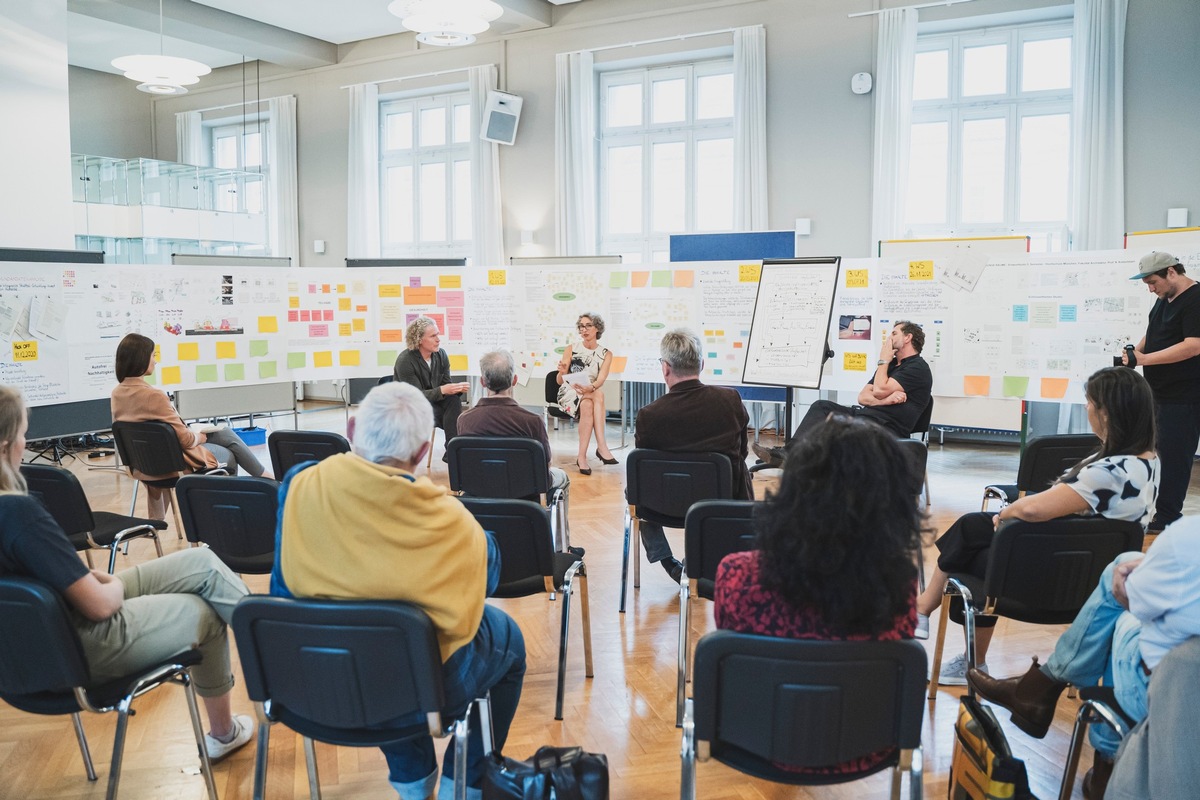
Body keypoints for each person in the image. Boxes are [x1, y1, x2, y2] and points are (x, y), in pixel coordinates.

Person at [270, 381, 525, 800]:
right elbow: (488, 583)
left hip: (311, 673)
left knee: (370, 631)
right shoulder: (455, 520)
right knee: (505, 637)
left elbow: (285, 581)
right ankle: (467, 780)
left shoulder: (299, 482)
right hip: (420, 688)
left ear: (352, 430)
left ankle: (412, 779)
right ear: (424, 451)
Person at [0, 385, 254, 762]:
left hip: (28, 649)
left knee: (202, 564)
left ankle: (273, 645)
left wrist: (101, 583)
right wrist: (106, 587)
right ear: (6, 446)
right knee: (204, 612)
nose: (25, 442)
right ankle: (229, 725)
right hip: (81, 642)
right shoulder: (18, 513)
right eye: (22, 434)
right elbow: (100, 606)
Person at [915, 366, 1159, 686]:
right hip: (1091, 575)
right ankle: (932, 615)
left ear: (1108, 413)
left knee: (973, 556)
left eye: (1090, 403)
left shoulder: (1110, 470)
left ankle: (954, 641)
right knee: (973, 528)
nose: (1086, 409)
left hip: (1056, 577)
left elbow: (1032, 509)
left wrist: (1005, 515)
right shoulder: (1148, 460)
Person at [714, 416, 923, 776]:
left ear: (795, 487)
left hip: (754, 740)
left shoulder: (737, 573)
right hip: (865, 745)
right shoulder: (900, 583)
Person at [968, 516, 1200, 800]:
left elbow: (1134, 600)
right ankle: (1042, 692)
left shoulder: (1189, 536)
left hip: (1170, 699)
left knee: (1117, 601)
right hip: (1185, 688)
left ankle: (1101, 754)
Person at [634, 328, 751, 583]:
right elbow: (741, 452)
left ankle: (668, 562)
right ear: (701, 364)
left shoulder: (649, 415)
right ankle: (714, 559)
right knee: (739, 469)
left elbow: (644, 469)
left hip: (661, 506)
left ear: (665, 368)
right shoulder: (729, 400)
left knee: (637, 488)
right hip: (719, 502)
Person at [111, 333, 267, 519]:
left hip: (144, 464)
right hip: (172, 465)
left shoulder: (117, 394)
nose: (155, 361)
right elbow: (185, 440)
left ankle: (265, 479)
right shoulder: (154, 396)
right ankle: (231, 510)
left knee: (224, 432)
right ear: (141, 359)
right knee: (229, 455)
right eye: (153, 355)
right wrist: (200, 437)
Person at [752, 320, 933, 466]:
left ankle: (805, 464)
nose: (889, 338)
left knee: (835, 428)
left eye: (894, 333)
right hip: (866, 416)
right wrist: (886, 400)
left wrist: (883, 360)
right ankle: (790, 455)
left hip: (887, 427)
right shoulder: (892, 366)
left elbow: (878, 389)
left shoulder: (917, 367)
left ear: (908, 337)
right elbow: (863, 396)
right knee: (822, 407)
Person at [1123, 251, 1200, 533]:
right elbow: (1153, 332)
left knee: (1176, 458)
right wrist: (1135, 352)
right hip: (1160, 392)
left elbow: (1193, 345)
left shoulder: (1195, 300)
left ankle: (1168, 517)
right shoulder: (1162, 299)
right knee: (1159, 453)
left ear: (1171, 272)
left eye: (1153, 281)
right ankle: (1158, 510)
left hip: (1186, 395)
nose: (1151, 288)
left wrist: (1145, 360)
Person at [457, 349, 569, 493]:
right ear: (515, 380)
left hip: (480, 488)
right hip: (523, 492)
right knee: (562, 476)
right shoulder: (533, 421)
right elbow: (545, 465)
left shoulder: (464, 420)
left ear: (482, 382)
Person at [394, 316, 471, 456]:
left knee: (453, 401)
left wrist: (455, 389)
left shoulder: (441, 355)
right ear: (419, 340)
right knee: (456, 419)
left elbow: (446, 384)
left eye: (438, 334)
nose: (438, 339)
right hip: (411, 406)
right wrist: (443, 390)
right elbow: (414, 396)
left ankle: (452, 450)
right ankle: (455, 451)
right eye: (433, 336)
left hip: (435, 402)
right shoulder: (405, 360)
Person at [556, 312, 616, 475]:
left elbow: (600, 380)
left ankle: (581, 457)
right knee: (599, 395)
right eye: (581, 326)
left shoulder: (606, 354)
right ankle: (602, 447)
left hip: (590, 392)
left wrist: (590, 388)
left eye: (588, 325)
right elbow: (560, 382)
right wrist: (561, 372)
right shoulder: (571, 349)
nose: (584, 329)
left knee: (589, 403)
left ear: (597, 328)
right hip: (570, 392)